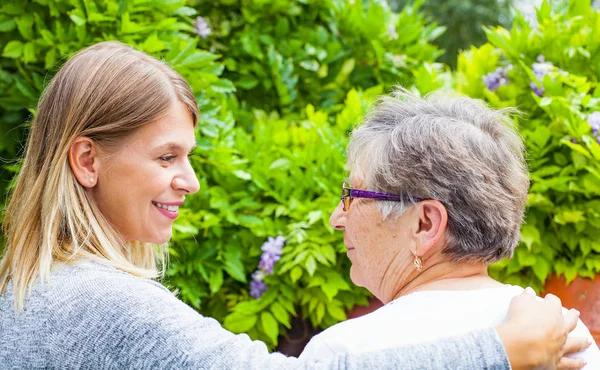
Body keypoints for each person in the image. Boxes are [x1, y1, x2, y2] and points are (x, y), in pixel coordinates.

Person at [0, 41, 586, 369]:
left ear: (427, 222)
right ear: (86, 161)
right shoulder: (95, 302)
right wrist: (499, 350)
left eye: (352, 197)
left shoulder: (43, 293)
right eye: (166, 157)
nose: (191, 181)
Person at [299, 88, 599, 368]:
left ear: (424, 224)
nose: (336, 218)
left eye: (352, 196)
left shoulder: (342, 353)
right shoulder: (562, 333)